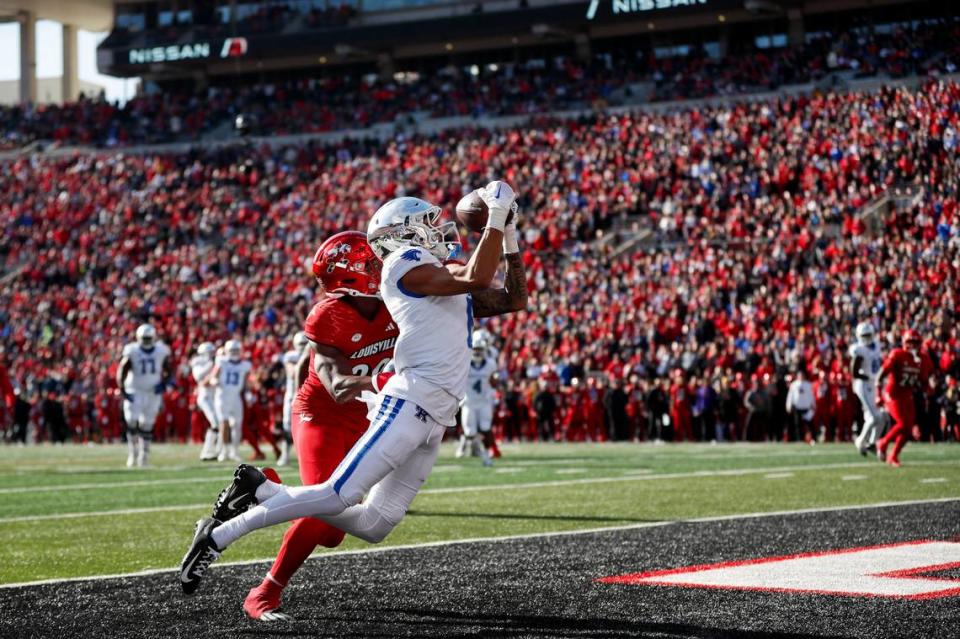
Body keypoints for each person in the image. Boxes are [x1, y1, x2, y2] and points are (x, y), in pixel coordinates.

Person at [179, 183, 527, 599]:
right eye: (428, 224)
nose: (441, 230)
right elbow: (477, 274)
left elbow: (512, 298)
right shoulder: (401, 265)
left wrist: (508, 234)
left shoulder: (435, 274)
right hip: (399, 400)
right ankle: (219, 537)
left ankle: (263, 489)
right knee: (336, 495)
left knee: (373, 524)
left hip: (434, 411)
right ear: (403, 233)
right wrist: (494, 215)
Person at [242, 230, 397, 621]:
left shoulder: (399, 302)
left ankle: (268, 491)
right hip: (322, 414)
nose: (382, 265)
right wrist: (388, 380)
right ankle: (263, 594)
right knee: (322, 507)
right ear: (353, 274)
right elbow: (339, 388)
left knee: (333, 533)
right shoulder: (329, 314)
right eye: (372, 262)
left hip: (366, 417)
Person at [116, 324, 173, 467]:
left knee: (147, 424)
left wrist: (164, 384)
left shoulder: (161, 350)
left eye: (149, 339)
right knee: (131, 421)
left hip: (152, 391)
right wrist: (122, 390)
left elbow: (169, 369)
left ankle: (144, 456)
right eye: (144, 339)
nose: (147, 342)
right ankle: (133, 453)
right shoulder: (132, 350)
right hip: (135, 389)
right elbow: (122, 369)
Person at [875, 330, 934, 467]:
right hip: (893, 394)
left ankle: (893, 455)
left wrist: (927, 388)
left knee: (908, 429)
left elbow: (924, 381)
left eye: (915, 343)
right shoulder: (897, 354)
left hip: (907, 395)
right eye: (910, 342)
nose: (912, 346)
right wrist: (878, 395)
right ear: (904, 343)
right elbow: (880, 375)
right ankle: (882, 443)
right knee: (902, 423)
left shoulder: (923, 359)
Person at [457, 330, 498, 465]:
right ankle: (469, 445)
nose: (477, 352)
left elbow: (494, 383)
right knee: (469, 432)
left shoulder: (491, 364)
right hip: (469, 401)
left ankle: (486, 456)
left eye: (480, 349)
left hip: (484, 401)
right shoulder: (465, 362)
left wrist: (494, 380)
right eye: (475, 349)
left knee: (486, 429)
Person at [211, 340, 253, 462]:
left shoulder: (245, 364)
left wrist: (248, 392)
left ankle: (234, 451)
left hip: (235, 397)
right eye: (232, 350)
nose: (234, 353)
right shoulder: (222, 361)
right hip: (222, 396)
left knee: (237, 425)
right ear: (227, 351)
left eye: (236, 350)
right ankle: (224, 450)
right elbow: (214, 375)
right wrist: (214, 381)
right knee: (224, 423)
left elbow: (245, 382)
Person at [850, 322, 885, 454]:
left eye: (868, 335)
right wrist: (869, 377)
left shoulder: (876, 345)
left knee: (881, 416)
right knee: (874, 417)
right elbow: (854, 372)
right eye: (864, 335)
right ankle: (860, 441)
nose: (866, 338)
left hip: (873, 383)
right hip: (863, 385)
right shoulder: (859, 349)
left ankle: (872, 442)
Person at [277, 331, 309, 467]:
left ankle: (304, 455)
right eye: (300, 344)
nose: (303, 346)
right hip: (292, 395)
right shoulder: (291, 356)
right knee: (287, 424)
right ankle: (285, 454)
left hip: (308, 396)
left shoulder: (314, 354)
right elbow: (291, 372)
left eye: (305, 343)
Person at [191, 342, 220, 461]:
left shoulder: (216, 362)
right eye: (210, 353)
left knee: (217, 424)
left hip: (215, 397)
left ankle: (211, 451)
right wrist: (211, 364)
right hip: (205, 398)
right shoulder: (198, 362)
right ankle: (206, 452)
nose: (212, 355)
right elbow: (199, 376)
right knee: (216, 423)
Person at [785, 369, 815, 443]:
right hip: (797, 407)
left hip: (806, 407)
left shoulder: (808, 384)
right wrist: (788, 405)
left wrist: (813, 404)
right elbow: (790, 395)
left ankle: (808, 438)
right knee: (797, 424)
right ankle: (799, 439)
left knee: (807, 424)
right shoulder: (794, 384)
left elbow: (811, 395)